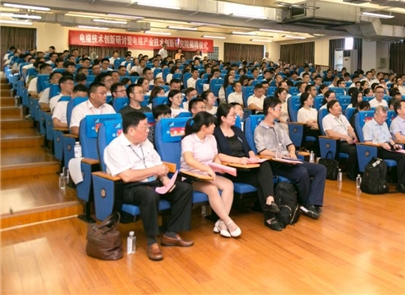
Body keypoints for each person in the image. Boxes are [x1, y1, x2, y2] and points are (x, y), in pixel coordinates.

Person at [104, 111, 194, 261]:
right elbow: (127, 176)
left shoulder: (146, 143)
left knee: (184, 189)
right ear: (131, 130)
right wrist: (155, 171)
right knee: (149, 195)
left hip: (154, 182)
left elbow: (158, 165)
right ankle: (152, 241)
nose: (148, 130)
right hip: (131, 187)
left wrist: (164, 179)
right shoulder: (115, 148)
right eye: (144, 127)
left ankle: (171, 233)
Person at [254, 96, 326, 220]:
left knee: (321, 169)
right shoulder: (259, 130)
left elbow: (290, 144)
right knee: (302, 172)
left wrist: (292, 152)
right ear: (270, 110)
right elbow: (262, 151)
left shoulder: (279, 127)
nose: (281, 111)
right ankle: (307, 204)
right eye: (279, 108)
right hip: (275, 163)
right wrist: (279, 155)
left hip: (288, 159)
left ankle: (312, 203)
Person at [213, 103, 283, 231]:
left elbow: (248, 148)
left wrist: (252, 157)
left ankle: (269, 200)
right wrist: (239, 160)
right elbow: (218, 155)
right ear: (223, 118)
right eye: (232, 115)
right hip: (233, 170)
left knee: (264, 165)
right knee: (262, 182)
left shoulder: (237, 130)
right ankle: (270, 217)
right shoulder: (216, 133)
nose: (235, 117)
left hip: (247, 166)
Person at [180, 112, 241, 238]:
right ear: (204, 127)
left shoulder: (211, 138)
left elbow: (215, 157)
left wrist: (220, 167)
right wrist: (207, 169)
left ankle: (221, 222)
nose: (214, 126)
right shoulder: (188, 140)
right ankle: (229, 222)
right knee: (212, 189)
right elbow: (189, 160)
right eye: (212, 124)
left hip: (207, 175)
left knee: (228, 185)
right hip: (192, 176)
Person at [363, 106, 405, 194]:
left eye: (385, 117)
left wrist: (394, 145)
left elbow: (389, 138)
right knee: (402, 157)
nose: (384, 119)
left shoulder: (384, 124)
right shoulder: (368, 125)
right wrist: (381, 144)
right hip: (378, 149)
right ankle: (401, 184)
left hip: (388, 147)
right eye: (382, 117)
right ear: (375, 115)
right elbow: (367, 142)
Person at [322, 99, 359, 180]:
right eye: (336, 106)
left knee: (361, 148)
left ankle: (359, 172)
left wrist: (356, 136)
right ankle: (351, 173)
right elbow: (330, 133)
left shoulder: (343, 117)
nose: (339, 107)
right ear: (330, 109)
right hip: (337, 142)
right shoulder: (327, 119)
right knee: (353, 150)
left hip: (349, 140)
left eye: (339, 105)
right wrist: (345, 137)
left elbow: (350, 129)